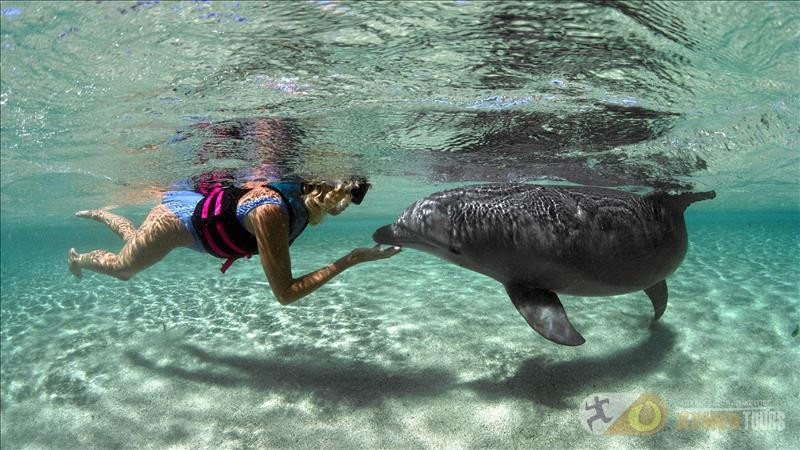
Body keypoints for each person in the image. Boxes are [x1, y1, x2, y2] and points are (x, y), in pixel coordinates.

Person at [68, 177, 401, 305]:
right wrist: (352, 260)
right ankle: (79, 258)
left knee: (134, 241)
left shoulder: (292, 193)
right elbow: (285, 294)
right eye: (344, 199)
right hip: (175, 222)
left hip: (185, 208)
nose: (342, 207)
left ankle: (102, 214)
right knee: (124, 268)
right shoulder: (272, 212)